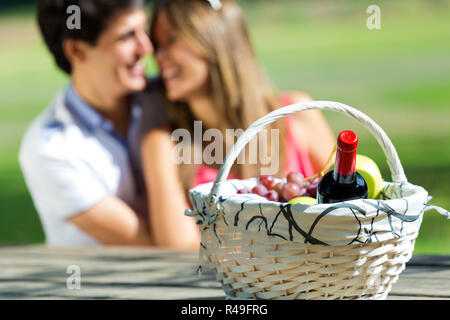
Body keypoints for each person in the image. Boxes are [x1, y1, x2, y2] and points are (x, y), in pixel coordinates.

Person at [140, 0, 335, 247]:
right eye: (157, 45)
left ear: (216, 42)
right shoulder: (163, 145)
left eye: (171, 40)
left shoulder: (298, 114)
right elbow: (178, 251)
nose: (158, 56)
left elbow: (349, 213)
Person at [19, 0, 199, 249]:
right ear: (77, 51)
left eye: (143, 30)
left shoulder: (167, 98)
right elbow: (156, 250)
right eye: (127, 36)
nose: (146, 48)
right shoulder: (50, 149)